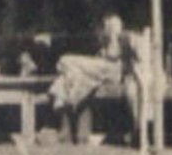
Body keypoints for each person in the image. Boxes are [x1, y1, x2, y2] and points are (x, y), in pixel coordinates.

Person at [48, 13, 141, 144]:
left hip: (112, 69)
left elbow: (113, 54)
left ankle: (64, 114)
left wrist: (112, 35)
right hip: (98, 71)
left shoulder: (115, 22)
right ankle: (69, 130)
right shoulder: (99, 23)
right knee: (72, 76)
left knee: (65, 61)